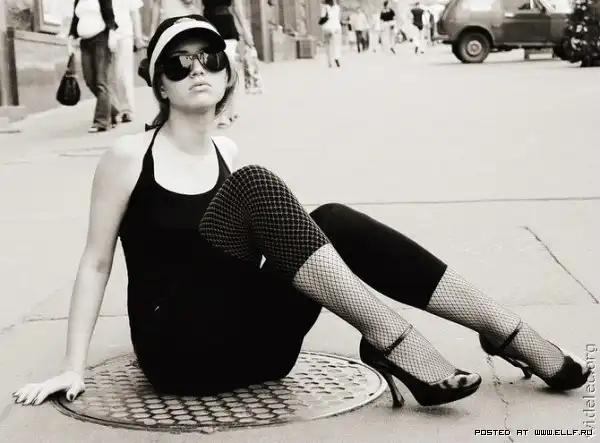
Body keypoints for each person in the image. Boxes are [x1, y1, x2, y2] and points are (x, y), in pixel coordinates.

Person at [13, 14, 590, 408]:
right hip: (179, 354)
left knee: (331, 218)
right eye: (178, 64)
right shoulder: (127, 157)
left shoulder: (227, 152)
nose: (197, 71)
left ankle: (501, 328)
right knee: (258, 186)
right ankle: (394, 341)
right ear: (159, 84)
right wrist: (73, 366)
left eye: (209, 58)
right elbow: (95, 263)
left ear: (227, 72)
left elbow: (292, 249)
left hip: (261, 351)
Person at [67, 0, 120, 133]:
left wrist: (112, 36)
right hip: (85, 43)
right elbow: (76, 19)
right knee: (89, 80)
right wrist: (71, 38)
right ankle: (112, 111)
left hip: (101, 40)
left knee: (101, 81)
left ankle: (101, 122)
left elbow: (109, 15)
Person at [202, 0, 255, 128]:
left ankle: (226, 113)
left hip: (226, 29)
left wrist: (246, 31)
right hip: (208, 28)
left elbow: (238, 8)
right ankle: (227, 112)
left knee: (226, 72)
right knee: (215, 72)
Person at [111, 0, 147, 124]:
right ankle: (113, 109)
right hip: (105, 35)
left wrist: (138, 36)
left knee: (123, 73)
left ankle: (127, 110)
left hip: (124, 35)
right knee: (109, 75)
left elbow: (135, 12)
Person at [320, 0, 343, 67]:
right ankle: (336, 58)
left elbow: (322, 17)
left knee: (328, 45)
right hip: (336, 28)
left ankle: (329, 61)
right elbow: (339, 18)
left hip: (327, 28)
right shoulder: (337, 7)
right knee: (336, 44)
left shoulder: (325, 7)